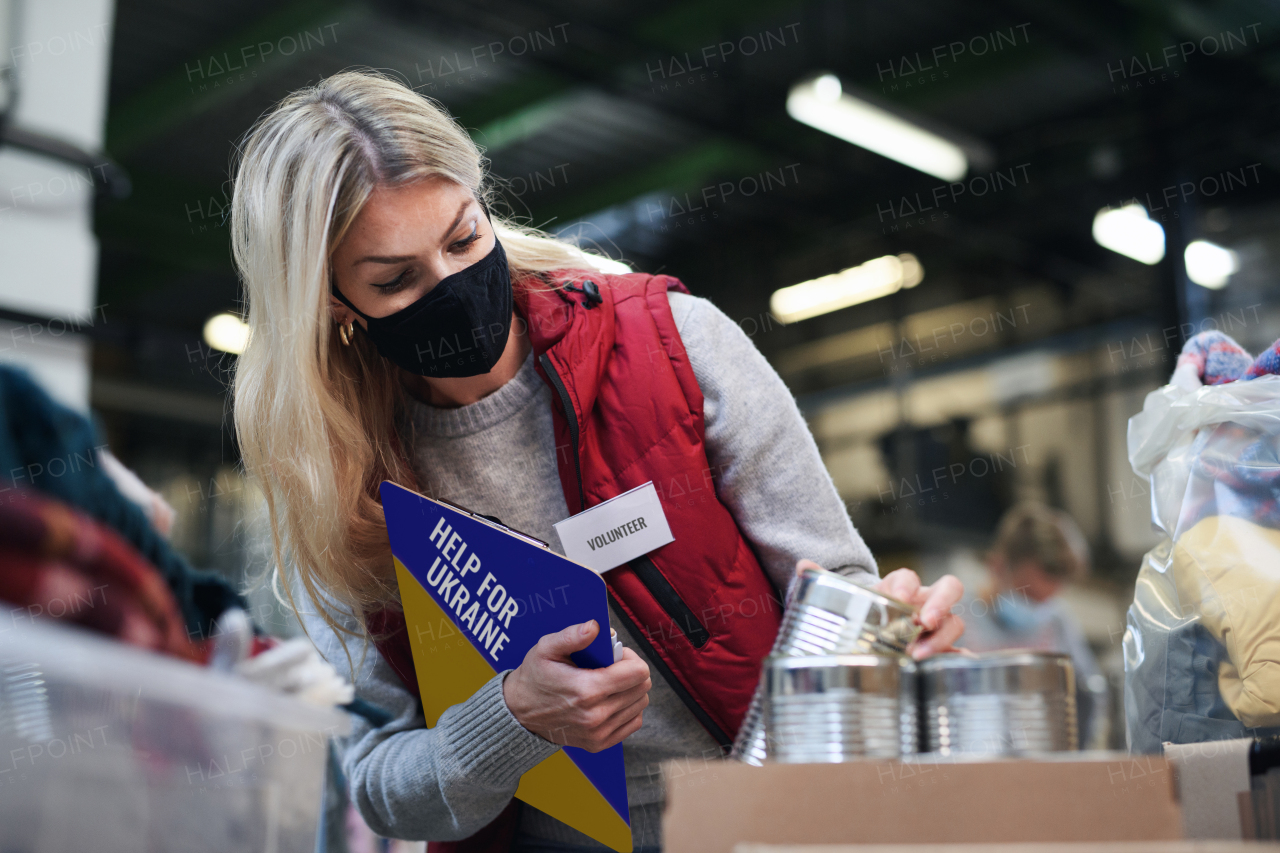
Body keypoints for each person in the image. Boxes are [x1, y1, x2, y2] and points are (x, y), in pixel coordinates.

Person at [229, 69, 966, 853]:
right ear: (334, 303)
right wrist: (509, 719)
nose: (451, 283)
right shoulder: (340, 483)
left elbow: (838, 588)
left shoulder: (675, 345)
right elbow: (382, 786)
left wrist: (892, 629)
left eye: (463, 237)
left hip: (768, 825)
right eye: (395, 278)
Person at [956, 502, 1108, 748]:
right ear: (997, 566)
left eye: (1047, 601)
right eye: (1029, 598)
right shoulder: (957, 620)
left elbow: (1089, 696)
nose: (1039, 611)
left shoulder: (1058, 623)